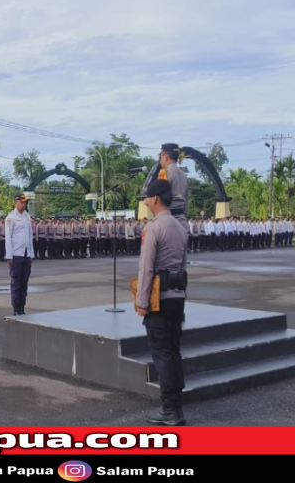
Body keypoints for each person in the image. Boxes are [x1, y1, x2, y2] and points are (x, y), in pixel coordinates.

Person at [135, 179, 188, 426]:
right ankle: (176, 406)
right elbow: (183, 264)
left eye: (147, 197)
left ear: (155, 199)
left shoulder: (154, 228)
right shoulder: (179, 227)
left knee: (162, 353)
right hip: (177, 297)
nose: (145, 201)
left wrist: (141, 301)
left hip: (159, 300)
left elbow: (146, 268)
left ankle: (170, 410)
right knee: (173, 350)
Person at [5, 193, 34, 315]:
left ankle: (22, 306)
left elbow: (30, 236)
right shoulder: (10, 217)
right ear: (15, 202)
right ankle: (16, 307)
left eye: (25, 203)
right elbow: (8, 237)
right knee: (16, 282)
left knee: (24, 282)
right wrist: (9, 256)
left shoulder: (27, 216)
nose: (24, 204)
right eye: (22, 202)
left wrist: (31, 254)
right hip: (16, 255)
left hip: (26, 254)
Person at [159, 143, 190, 233]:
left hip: (169, 223)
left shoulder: (165, 173)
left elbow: (161, 200)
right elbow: (186, 202)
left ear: (166, 157)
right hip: (182, 222)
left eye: (160, 156)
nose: (160, 160)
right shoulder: (183, 175)